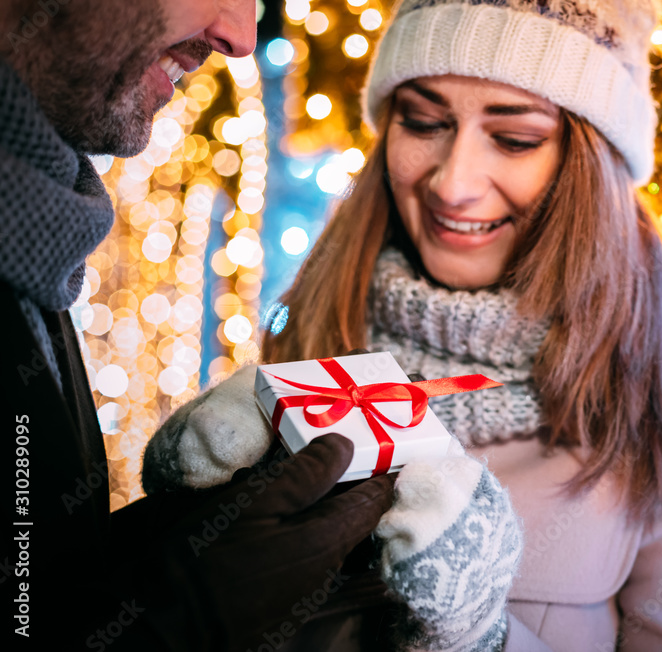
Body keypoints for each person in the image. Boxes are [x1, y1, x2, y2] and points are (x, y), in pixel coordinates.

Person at [144, 0, 662, 649]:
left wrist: (483, 638)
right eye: (423, 121)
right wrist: (172, 534)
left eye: (515, 139)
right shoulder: (314, 336)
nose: (453, 185)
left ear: (590, 163)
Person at [0, 1, 399, 650]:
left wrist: (178, 543)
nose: (240, 39)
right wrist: (179, 617)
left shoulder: (38, 221)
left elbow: (32, 579)